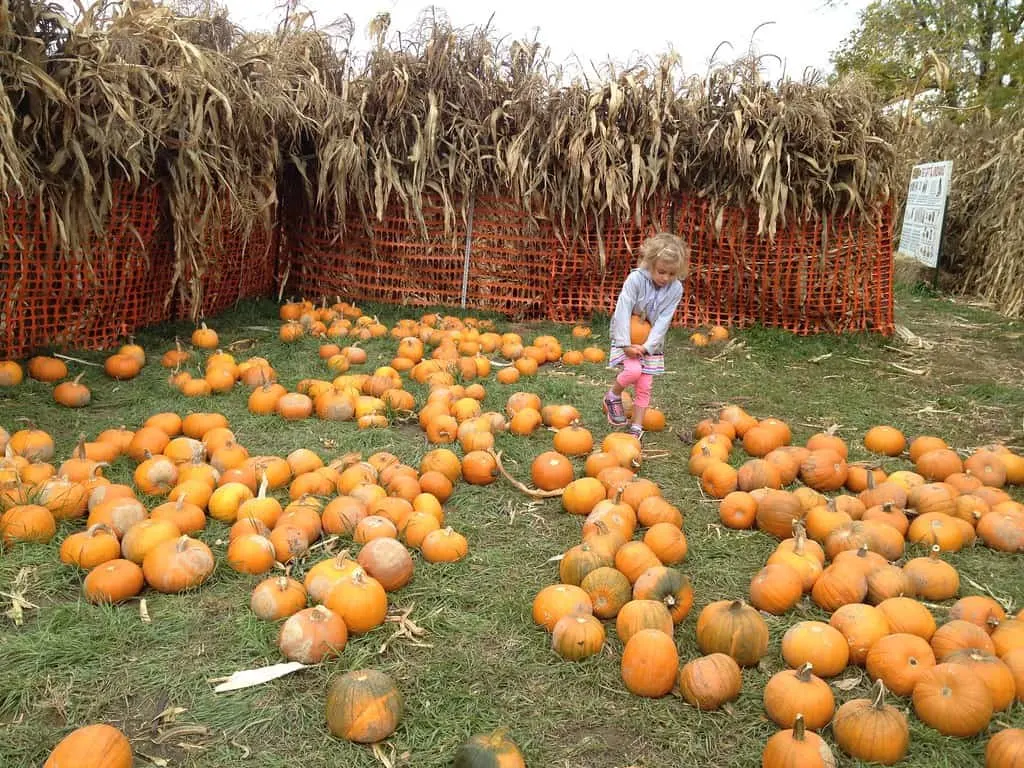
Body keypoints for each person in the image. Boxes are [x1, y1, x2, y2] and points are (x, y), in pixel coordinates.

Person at [603, 232, 689, 439]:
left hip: (651, 343)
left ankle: (637, 427)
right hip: (628, 336)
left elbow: (664, 320)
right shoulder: (635, 279)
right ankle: (613, 396)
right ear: (649, 263)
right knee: (632, 372)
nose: (665, 278)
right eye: (661, 272)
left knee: (645, 384)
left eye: (671, 273)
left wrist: (648, 346)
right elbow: (623, 309)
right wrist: (624, 343)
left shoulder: (675, 289)